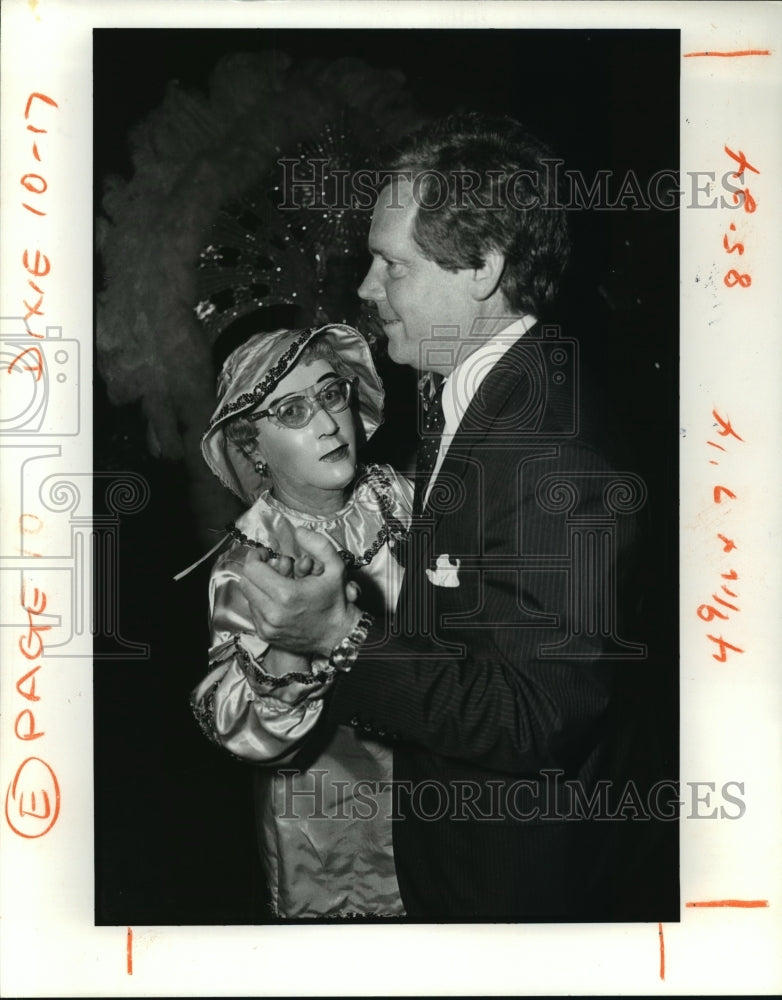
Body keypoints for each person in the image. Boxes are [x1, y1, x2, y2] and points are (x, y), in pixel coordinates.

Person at [236, 113, 648, 921]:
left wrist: (337, 636)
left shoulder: (557, 457)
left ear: (483, 267)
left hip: (513, 879)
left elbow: (533, 716)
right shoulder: (468, 388)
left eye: (391, 263)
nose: (365, 287)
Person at [190, 323, 414, 919]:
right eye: (291, 409)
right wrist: (291, 644)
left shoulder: (395, 495)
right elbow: (245, 731)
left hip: (436, 779)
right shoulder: (249, 565)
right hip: (330, 823)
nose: (326, 423)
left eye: (331, 394)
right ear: (253, 447)